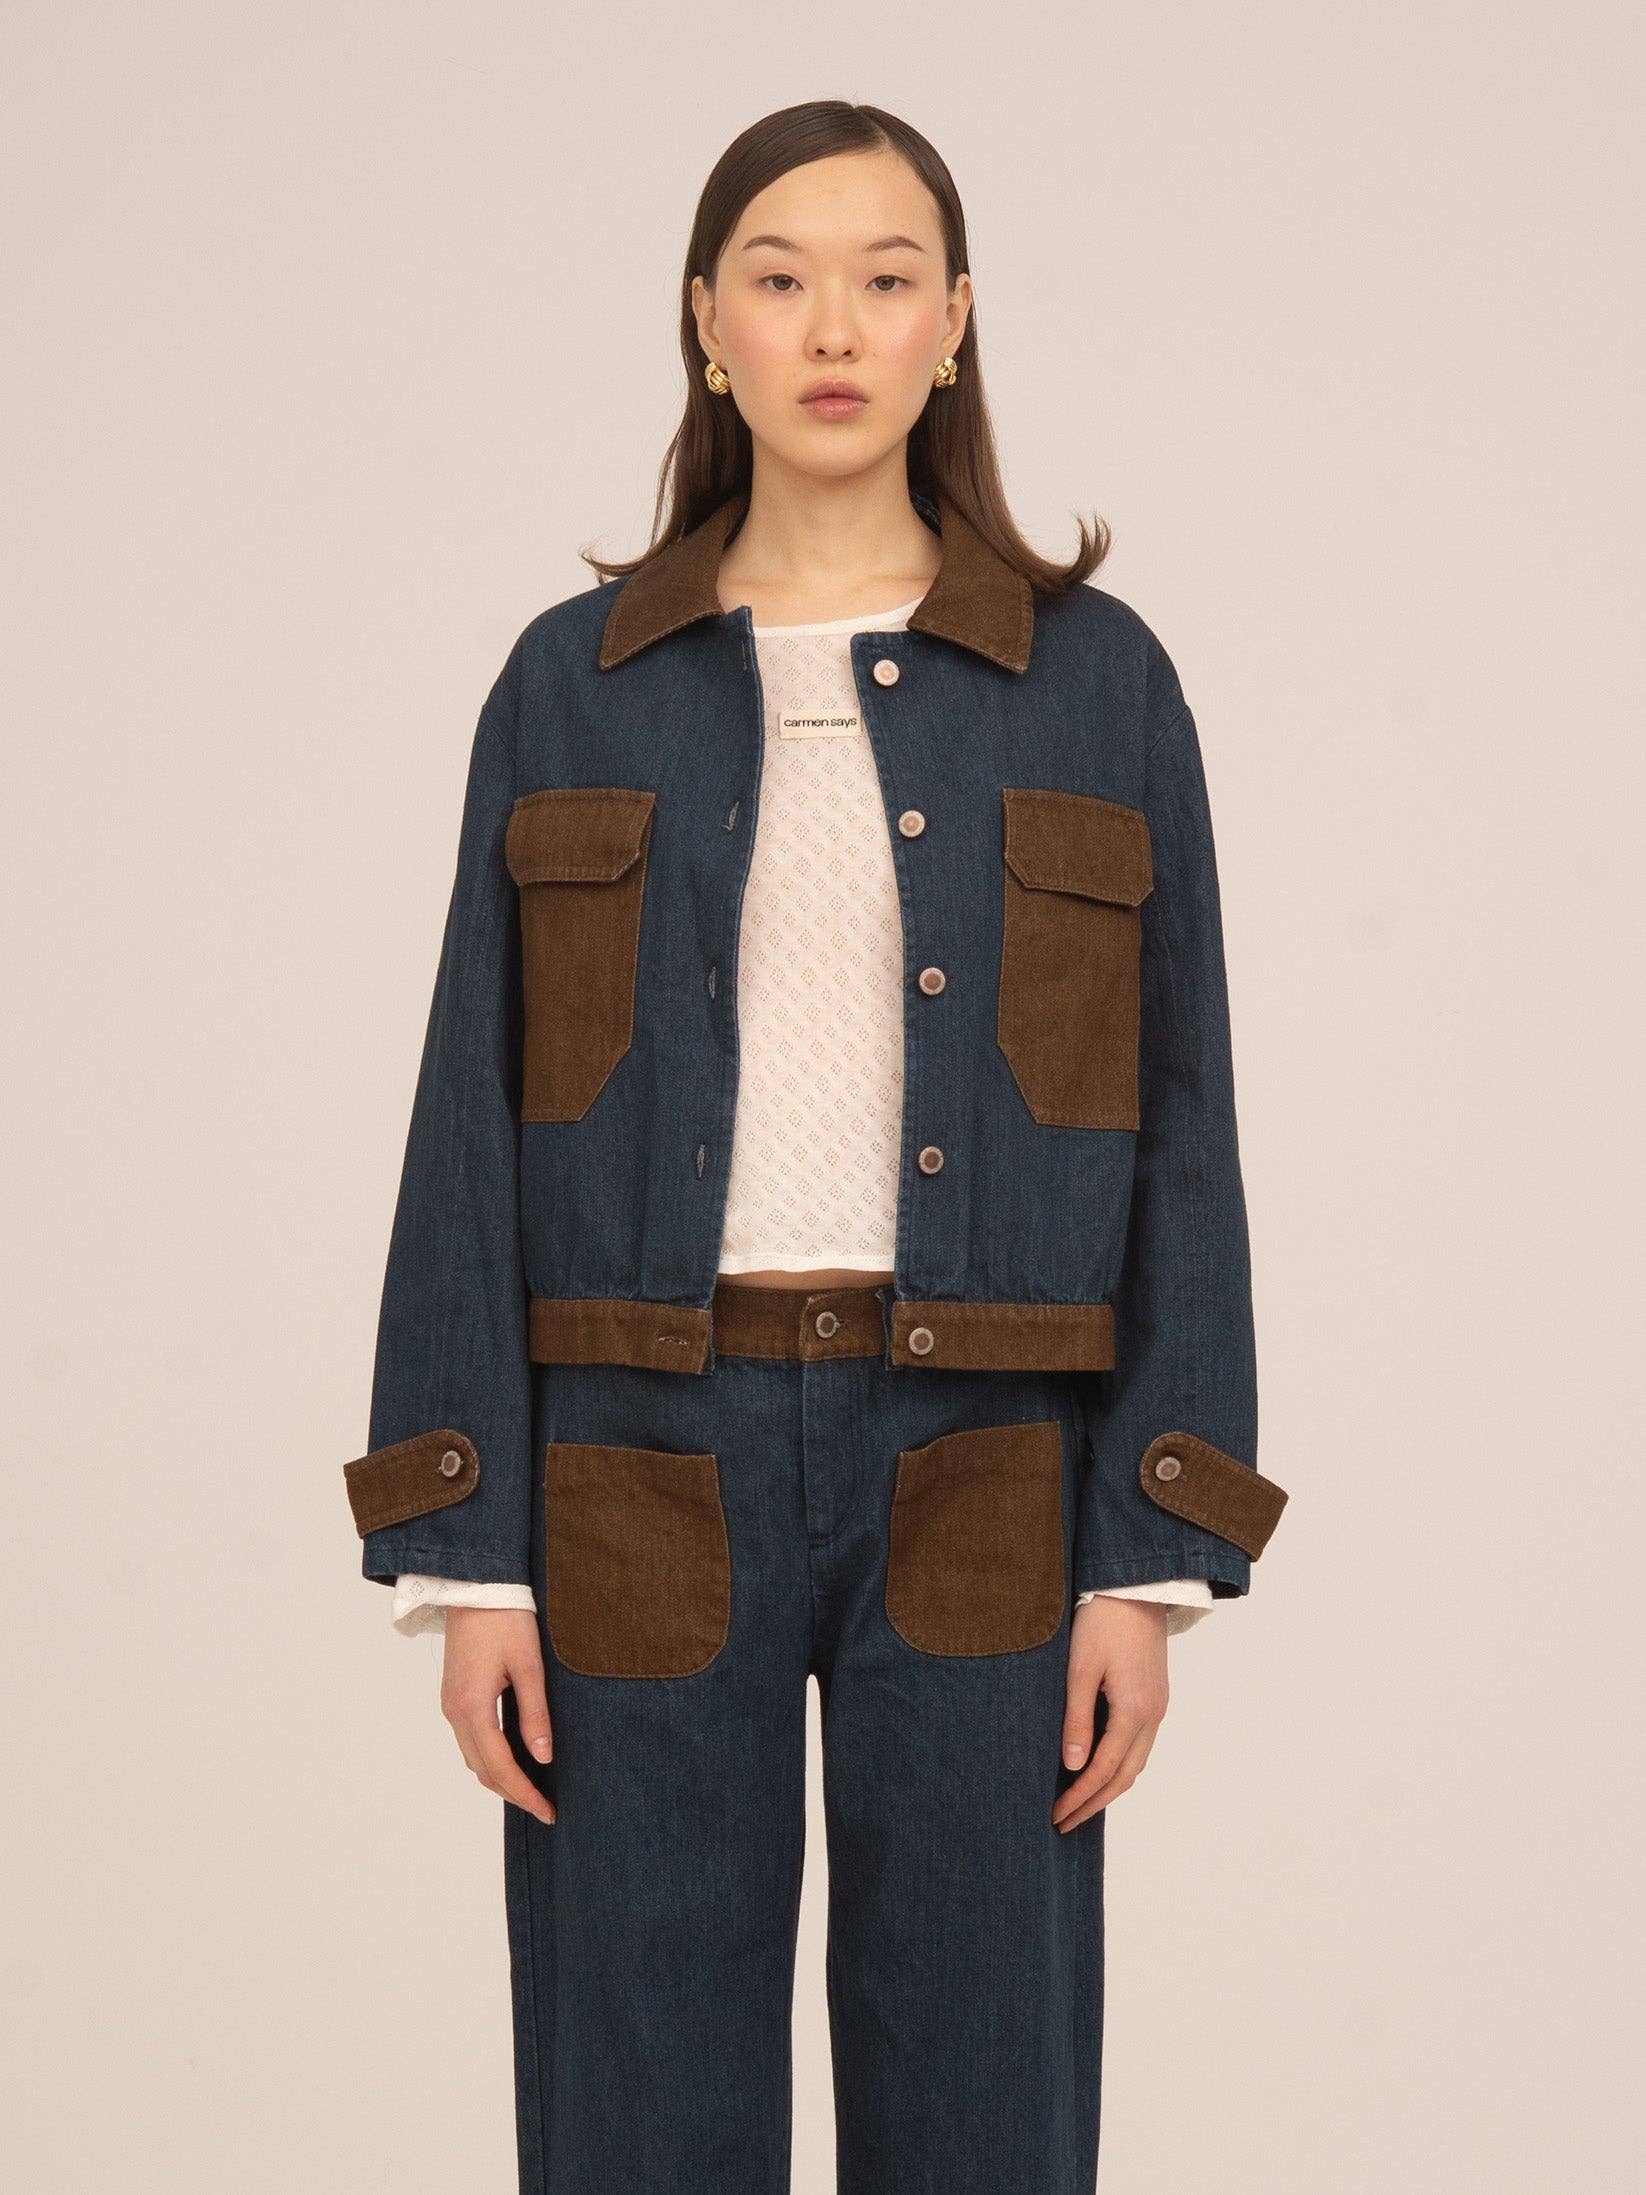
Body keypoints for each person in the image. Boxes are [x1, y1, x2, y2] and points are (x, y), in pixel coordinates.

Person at [341, 99, 1289, 2195]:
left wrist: (1148, 1553)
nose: (832, 327)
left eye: (884, 279)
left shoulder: (1097, 688)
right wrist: (468, 1552)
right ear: (707, 323)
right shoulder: (572, 688)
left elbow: (1184, 1119)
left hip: (987, 1466)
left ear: (955, 324)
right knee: (637, 2094)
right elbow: (467, 1113)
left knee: (981, 2093)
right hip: (630, 1461)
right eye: (779, 278)